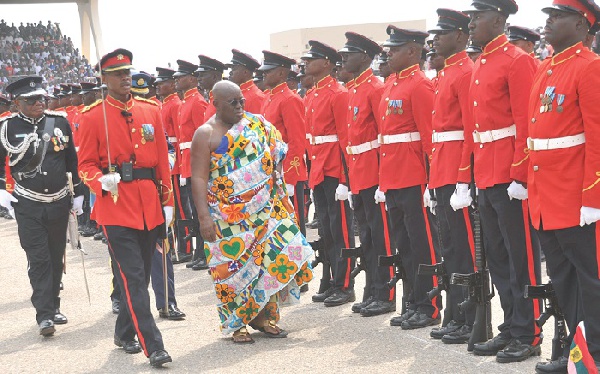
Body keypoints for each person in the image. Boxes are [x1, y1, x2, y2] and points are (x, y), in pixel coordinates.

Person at [190, 80, 313, 343]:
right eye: (232, 102)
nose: (239, 106)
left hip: (264, 210)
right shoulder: (205, 133)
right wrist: (203, 218)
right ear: (216, 103)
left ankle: (265, 317)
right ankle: (237, 325)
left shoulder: (256, 124)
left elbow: (276, 153)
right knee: (233, 272)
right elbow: (199, 178)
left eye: (241, 101)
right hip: (227, 218)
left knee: (270, 261)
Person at [456, 0, 542, 362]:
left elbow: (526, 123)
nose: (472, 23)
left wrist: (520, 174)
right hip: (487, 173)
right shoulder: (482, 63)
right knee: (500, 258)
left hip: (509, 173)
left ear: (499, 19)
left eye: (478, 16)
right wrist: (471, 177)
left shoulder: (516, 61)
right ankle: (511, 327)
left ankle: (529, 330)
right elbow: (475, 129)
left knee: (521, 257)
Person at [76, 48, 173, 367]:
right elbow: (85, 163)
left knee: (141, 276)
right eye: (118, 74)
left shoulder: (150, 110)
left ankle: (123, 332)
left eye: (128, 72)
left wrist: (168, 201)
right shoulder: (93, 116)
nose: (125, 78)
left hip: (148, 204)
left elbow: (161, 160)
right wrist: (98, 181)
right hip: (116, 207)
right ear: (104, 79)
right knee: (133, 277)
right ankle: (153, 344)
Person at [528, 1, 600, 372]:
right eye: (548, 16)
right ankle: (580, 354)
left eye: (557, 16)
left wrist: (593, 197)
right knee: (565, 281)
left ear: (581, 23)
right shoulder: (546, 68)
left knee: (591, 281)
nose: (549, 22)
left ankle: (597, 357)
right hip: (546, 197)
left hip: (575, 197)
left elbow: (597, 137)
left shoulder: (590, 68)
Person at [0, 76, 84, 336]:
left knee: (56, 256)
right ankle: (44, 315)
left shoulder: (58, 122)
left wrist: (78, 192)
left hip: (59, 200)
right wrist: (2, 192)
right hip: (28, 203)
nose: (39, 103)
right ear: (17, 103)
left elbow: (71, 160)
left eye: (42, 98)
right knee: (39, 259)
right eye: (32, 100)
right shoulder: (7, 127)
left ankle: (54, 307)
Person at [377, 26, 440, 330]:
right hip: (393, 178)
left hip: (414, 178)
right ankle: (413, 300)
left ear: (413, 52)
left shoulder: (420, 85)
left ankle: (429, 304)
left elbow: (430, 139)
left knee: (422, 244)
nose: (388, 52)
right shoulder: (391, 84)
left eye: (395, 48)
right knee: (404, 244)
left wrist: (430, 183)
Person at [426, 8, 477, 344]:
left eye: (443, 33)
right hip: (442, 168)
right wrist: (433, 181)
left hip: (457, 169)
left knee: (463, 250)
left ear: (460, 36)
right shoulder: (446, 73)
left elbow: (469, 130)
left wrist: (463, 177)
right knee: (449, 248)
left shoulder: (464, 72)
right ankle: (455, 314)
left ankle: (471, 317)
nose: (435, 39)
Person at [337, 32, 395, 317]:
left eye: (349, 53)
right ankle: (372, 289)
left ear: (365, 57)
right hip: (359, 173)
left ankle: (386, 293)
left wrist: (383, 179)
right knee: (368, 238)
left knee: (381, 237)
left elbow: (383, 137)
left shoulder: (374, 88)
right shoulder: (354, 90)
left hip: (374, 171)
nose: (344, 57)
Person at [302, 40, 356, 307]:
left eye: (312, 59)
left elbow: (345, 139)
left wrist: (346, 179)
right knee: (327, 229)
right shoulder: (312, 94)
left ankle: (345, 285)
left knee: (341, 228)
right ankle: (332, 279)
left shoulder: (338, 93)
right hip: (319, 168)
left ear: (326, 63)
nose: (306, 64)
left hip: (335, 169)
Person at [259, 51, 309, 236]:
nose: (264, 74)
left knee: (292, 226)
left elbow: (297, 140)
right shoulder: (268, 98)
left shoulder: (290, 100)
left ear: (281, 73)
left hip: (286, 171)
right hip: (271, 171)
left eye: (268, 71)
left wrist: (289, 177)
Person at [174, 59, 208, 268]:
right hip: (185, 159)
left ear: (192, 79)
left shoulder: (196, 102)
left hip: (194, 160)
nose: (177, 80)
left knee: (199, 208)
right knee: (194, 209)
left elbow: (201, 135)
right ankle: (198, 251)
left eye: (181, 77)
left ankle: (203, 251)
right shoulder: (186, 101)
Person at [226, 49, 266, 114]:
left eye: (234, 69)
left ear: (245, 72)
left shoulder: (255, 97)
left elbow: (257, 123)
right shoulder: (239, 93)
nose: (230, 72)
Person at [197, 55, 225, 119]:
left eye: (202, 75)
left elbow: (250, 125)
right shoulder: (213, 99)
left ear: (214, 77)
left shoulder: (223, 102)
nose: (198, 79)